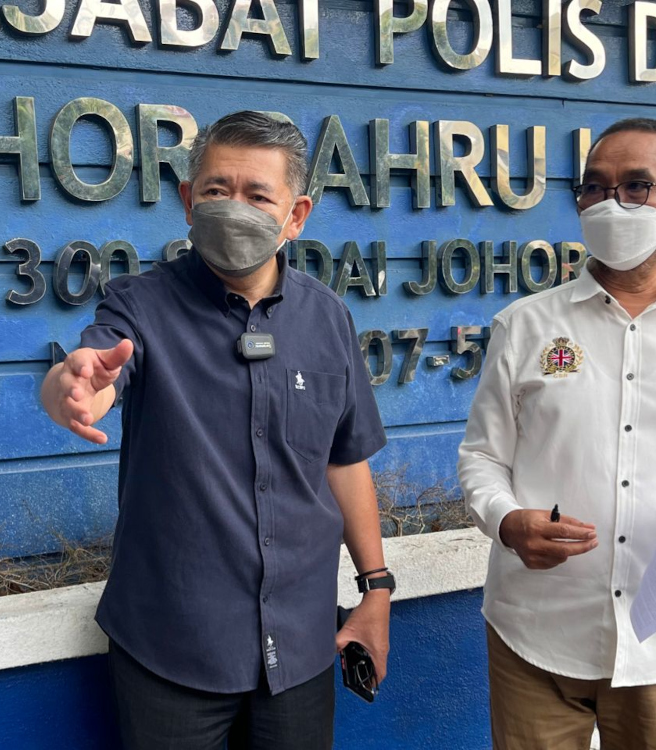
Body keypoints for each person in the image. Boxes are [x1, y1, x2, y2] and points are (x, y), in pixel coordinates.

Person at [40, 111, 395, 750]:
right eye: (216, 190)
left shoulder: (328, 319)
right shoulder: (137, 305)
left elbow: (344, 461)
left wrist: (376, 589)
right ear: (187, 200)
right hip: (171, 647)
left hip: (301, 644)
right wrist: (74, 390)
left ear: (296, 215)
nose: (234, 209)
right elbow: (93, 370)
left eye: (258, 196)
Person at [457, 117, 656, 750]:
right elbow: (482, 458)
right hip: (535, 632)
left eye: (635, 187)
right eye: (594, 187)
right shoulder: (524, 326)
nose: (611, 203)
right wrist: (506, 522)